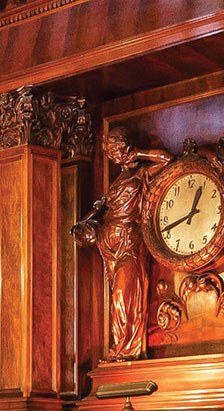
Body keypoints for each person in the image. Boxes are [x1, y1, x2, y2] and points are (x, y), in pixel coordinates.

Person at [73, 128, 171, 361]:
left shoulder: (142, 173)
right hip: (109, 242)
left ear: (127, 147)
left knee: (123, 293)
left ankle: (128, 348)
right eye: (111, 153)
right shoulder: (118, 180)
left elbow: (168, 159)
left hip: (130, 239)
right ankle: (121, 345)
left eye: (117, 150)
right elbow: (100, 212)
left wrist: (141, 153)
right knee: (116, 297)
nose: (115, 156)